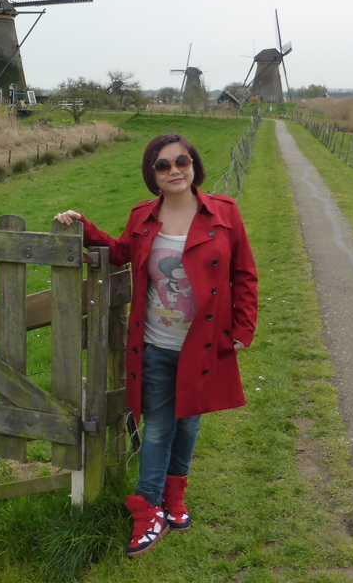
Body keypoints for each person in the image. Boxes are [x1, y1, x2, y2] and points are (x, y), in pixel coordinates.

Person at [54, 132, 257, 557]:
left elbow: (244, 274)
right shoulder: (143, 217)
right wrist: (85, 227)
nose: (174, 170)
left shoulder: (224, 213)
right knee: (161, 426)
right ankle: (148, 510)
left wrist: (242, 329)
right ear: (153, 174)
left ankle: (174, 497)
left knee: (189, 423)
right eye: (162, 165)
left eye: (181, 161)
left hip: (203, 346)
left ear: (194, 164)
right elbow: (121, 251)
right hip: (156, 345)